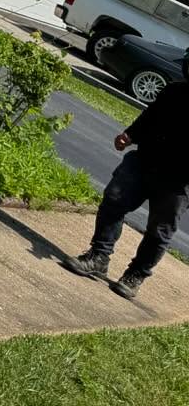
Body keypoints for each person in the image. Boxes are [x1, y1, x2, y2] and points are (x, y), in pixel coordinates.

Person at [65, 56, 189, 299]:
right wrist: (130, 135)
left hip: (178, 181)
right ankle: (99, 255)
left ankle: (135, 275)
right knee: (114, 199)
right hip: (145, 160)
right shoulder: (174, 91)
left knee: (159, 231)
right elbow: (150, 117)